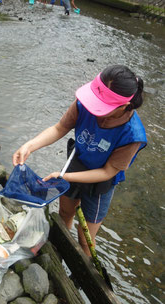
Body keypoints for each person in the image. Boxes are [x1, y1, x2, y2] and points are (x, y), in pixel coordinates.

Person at [12, 65, 147, 256]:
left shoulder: (132, 135)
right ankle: (62, 251)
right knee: (65, 214)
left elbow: (108, 172)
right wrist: (29, 146)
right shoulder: (83, 104)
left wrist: (64, 176)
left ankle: (84, 267)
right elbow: (60, 128)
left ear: (123, 106)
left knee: (86, 239)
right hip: (76, 162)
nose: (94, 109)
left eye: (101, 107)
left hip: (101, 182)